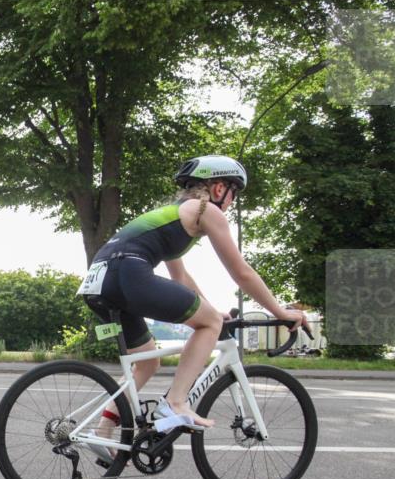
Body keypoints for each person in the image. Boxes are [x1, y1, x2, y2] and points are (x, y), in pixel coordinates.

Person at [79, 155, 307, 437]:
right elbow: (241, 273)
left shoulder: (172, 215)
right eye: (233, 192)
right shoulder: (207, 211)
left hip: (99, 282)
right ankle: (175, 403)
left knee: (148, 360)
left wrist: (209, 309)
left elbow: (180, 279)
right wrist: (280, 312)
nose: (232, 201)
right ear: (219, 188)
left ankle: (102, 433)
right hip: (128, 271)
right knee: (209, 323)